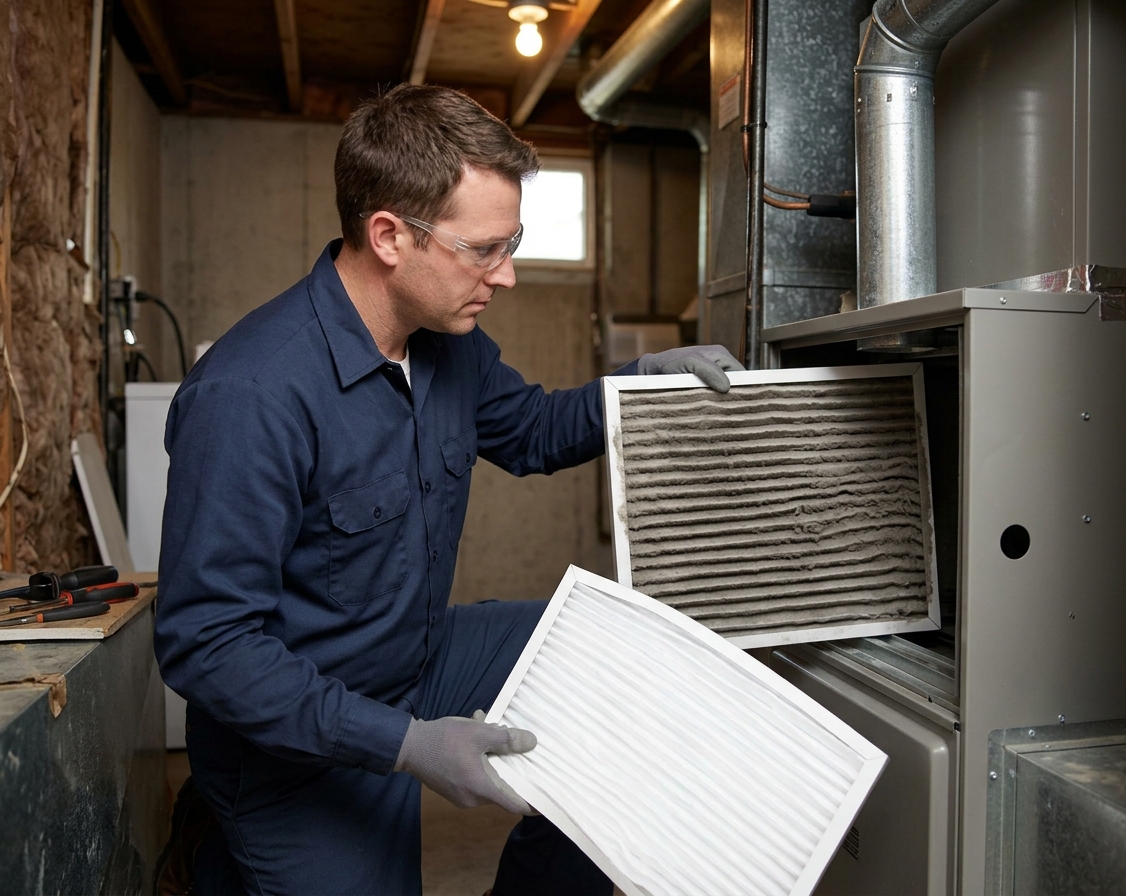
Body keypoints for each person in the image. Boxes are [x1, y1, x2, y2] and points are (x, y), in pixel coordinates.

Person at [154, 82, 743, 896]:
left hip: (419, 659)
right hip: (292, 745)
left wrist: (637, 384)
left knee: (632, 666)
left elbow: (533, 430)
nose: (504, 277)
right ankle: (224, 840)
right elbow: (206, 644)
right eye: (484, 249)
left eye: (514, 242)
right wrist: (404, 744)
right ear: (390, 235)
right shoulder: (253, 394)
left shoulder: (446, 343)